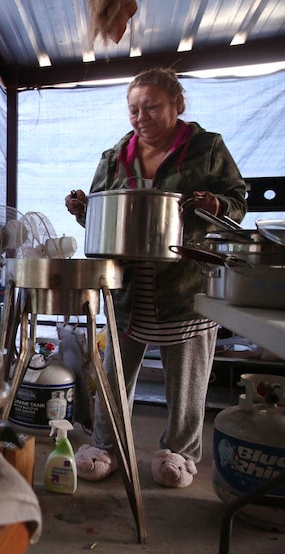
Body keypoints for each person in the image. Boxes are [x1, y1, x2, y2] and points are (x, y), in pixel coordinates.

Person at [64, 67, 248, 488]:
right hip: (129, 285)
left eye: (151, 106)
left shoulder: (206, 148)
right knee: (113, 374)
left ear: (177, 104)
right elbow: (100, 214)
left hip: (185, 283)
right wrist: (81, 208)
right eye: (133, 109)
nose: (140, 116)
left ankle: (180, 454)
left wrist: (216, 204)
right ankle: (106, 447)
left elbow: (238, 199)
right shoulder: (115, 156)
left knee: (186, 381)